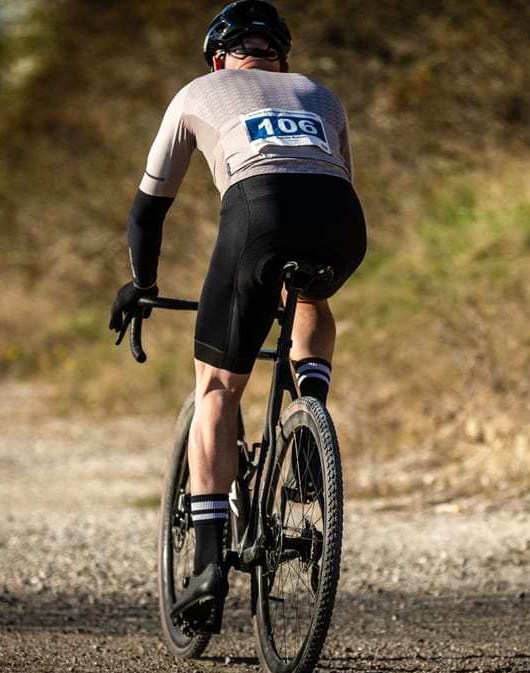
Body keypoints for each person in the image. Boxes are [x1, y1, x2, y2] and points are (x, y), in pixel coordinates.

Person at [109, 0, 366, 630]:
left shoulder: (198, 91)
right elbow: (332, 178)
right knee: (309, 295)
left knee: (217, 388)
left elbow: (147, 213)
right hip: (341, 222)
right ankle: (310, 412)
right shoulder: (321, 94)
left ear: (219, 57)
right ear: (281, 55)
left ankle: (207, 565)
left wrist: (142, 284)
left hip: (258, 211)